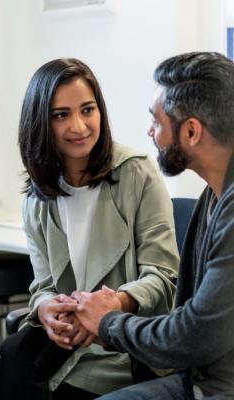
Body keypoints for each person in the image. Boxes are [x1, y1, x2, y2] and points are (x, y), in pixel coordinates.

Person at [0, 58, 179, 399]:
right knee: (11, 357)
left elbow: (163, 277)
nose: (78, 126)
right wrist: (46, 308)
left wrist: (114, 304)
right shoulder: (36, 199)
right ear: (40, 123)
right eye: (61, 115)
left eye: (87, 110)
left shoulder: (137, 174)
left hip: (122, 337)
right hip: (65, 339)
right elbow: (44, 285)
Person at [73, 51, 234, 400]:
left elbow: (196, 334)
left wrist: (108, 322)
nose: (150, 132)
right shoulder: (214, 195)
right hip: (199, 380)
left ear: (191, 131)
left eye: (157, 122)